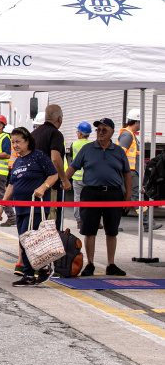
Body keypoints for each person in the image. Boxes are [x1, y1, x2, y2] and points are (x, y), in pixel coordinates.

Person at [64, 118, 131, 277]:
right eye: (98, 130)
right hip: (91, 193)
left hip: (113, 193)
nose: (100, 132)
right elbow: (73, 167)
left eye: (104, 130)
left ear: (112, 133)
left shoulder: (119, 151)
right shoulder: (87, 149)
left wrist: (128, 197)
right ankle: (90, 263)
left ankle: (111, 264)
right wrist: (63, 181)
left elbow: (127, 174)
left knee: (111, 230)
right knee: (89, 230)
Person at [0, 127, 58, 286]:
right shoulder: (18, 160)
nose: (15, 145)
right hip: (21, 208)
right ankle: (35, 271)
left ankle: (31, 273)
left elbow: (54, 174)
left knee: (27, 239)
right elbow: (11, 185)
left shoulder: (39, 156)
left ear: (27, 142)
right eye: (13, 142)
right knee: (23, 240)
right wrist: (2, 206)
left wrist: (43, 187)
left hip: (36, 208)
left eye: (18, 142)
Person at [119, 109, 160, 230]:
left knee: (124, 197)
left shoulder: (130, 134)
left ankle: (113, 225)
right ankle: (148, 223)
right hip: (129, 173)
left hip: (131, 172)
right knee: (137, 197)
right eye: (140, 122)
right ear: (136, 122)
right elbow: (121, 153)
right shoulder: (127, 135)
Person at [32, 105, 70, 230]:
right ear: (59, 119)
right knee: (51, 220)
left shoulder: (34, 134)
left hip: (34, 183)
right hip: (50, 184)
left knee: (36, 220)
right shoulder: (56, 134)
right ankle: (50, 249)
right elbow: (55, 158)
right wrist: (64, 179)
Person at [71, 122, 92, 229]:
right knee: (91, 199)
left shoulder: (74, 144)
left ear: (80, 133)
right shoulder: (91, 145)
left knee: (77, 199)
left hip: (77, 177)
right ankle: (92, 220)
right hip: (88, 177)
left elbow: (71, 161)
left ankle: (79, 221)